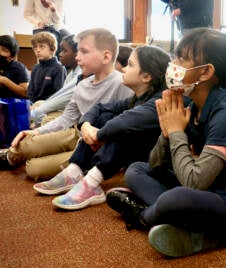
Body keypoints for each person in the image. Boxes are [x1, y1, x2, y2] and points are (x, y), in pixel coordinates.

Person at [106, 28, 226, 258]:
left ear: (205, 72)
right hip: (213, 188)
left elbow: (195, 183)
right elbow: (155, 165)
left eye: (181, 58)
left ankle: (143, 216)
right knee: (137, 170)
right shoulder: (193, 103)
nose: (172, 64)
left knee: (177, 198)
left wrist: (177, 133)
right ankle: (181, 220)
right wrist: (167, 133)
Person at [33, 45, 171, 210]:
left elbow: (123, 122)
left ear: (147, 77)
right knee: (105, 116)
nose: (124, 68)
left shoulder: (160, 101)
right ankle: (74, 171)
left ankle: (91, 183)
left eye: (131, 65)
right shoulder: (137, 97)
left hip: (154, 164)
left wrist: (98, 136)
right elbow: (100, 108)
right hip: (111, 145)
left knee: (124, 130)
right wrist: (86, 126)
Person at [0, 28, 133, 181]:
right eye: (78, 52)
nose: (77, 57)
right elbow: (66, 118)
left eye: (84, 52)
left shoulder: (122, 84)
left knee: (34, 168)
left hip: (96, 144)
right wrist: (38, 132)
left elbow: (125, 127)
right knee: (26, 143)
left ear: (106, 56)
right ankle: (11, 156)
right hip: (76, 134)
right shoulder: (82, 85)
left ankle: (89, 166)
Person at [30, 34, 83, 127]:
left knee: (41, 117)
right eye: (35, 48)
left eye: (64, 51)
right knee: (38, 105)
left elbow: (62, 97)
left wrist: (36, 112)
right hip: (63, 110)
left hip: (73, 118)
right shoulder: (71, 73)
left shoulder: (64, 70)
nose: (60, 54)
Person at [27, 31, 67, 103]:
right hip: (34, 105)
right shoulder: (35, 68)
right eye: (35, 47)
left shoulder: (59, 68)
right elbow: (30, 91)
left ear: (52, 49)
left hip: (49, 106)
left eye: (42, 46)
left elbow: (57, 94)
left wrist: (41, 106)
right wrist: (31, 104)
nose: (37, 50)